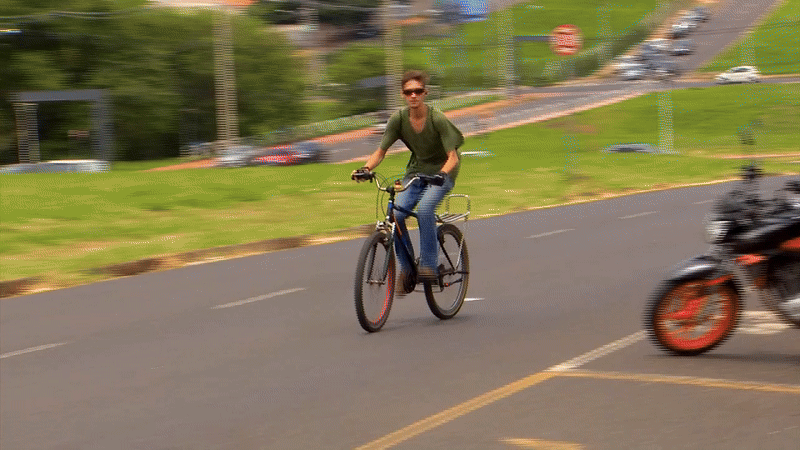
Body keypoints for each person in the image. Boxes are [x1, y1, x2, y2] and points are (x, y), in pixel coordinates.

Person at [351, 70, 464, 295]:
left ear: (425, 93)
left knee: (424, 209)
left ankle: (429, 266)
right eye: (408, 92)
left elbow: (453, 157)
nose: (413, 95)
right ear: (403, 94)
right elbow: (380, 151)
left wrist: (442, 174)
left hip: (443, 172)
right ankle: (408, 269)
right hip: (416, 172)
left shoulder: (437, 119)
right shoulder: (399, 119)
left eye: (418, 91)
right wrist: (366, 169)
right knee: (396, 214)